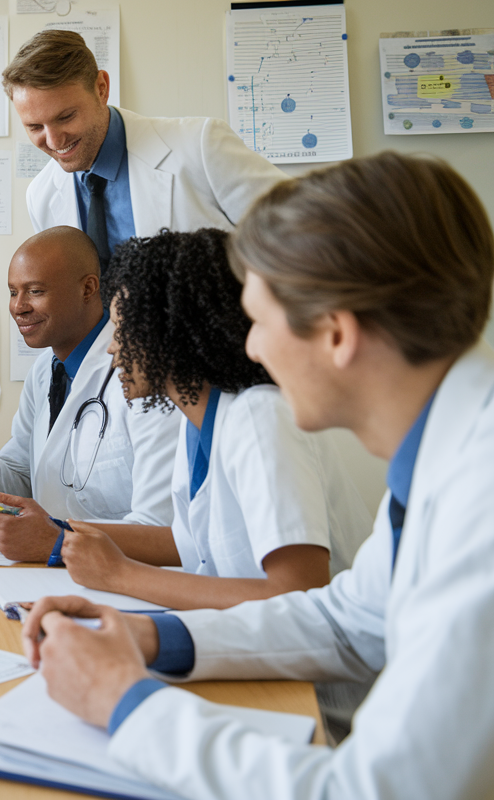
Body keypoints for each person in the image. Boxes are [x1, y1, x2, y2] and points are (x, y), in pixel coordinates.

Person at [24, 152, 494, 798]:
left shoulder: (480, 499)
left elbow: (369, 791)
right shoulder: (447, 456)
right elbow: (344, 621)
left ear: (335, 334)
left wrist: (123, 702)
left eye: (263, 322)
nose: (249, 347)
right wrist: (148, 634)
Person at [0, 228, 368, 610]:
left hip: (323, 663)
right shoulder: (199, 426)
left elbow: (299, 595)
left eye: (121, 329)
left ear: (168, 332)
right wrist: (62, 541)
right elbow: (184, 548)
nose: (111, 347)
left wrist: (114, 573)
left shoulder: (260, 417)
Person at [0, 227, 179, 542]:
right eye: (13, 291)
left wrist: (57, 538)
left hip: (119, 574)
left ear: (87, 288)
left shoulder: (141, 374)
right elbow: (29, 480)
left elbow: (162, 527)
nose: (18, 306)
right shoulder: (44, 370)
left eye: (36, 291)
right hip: (55, 569)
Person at [4, 30, 286, 269]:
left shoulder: (200, 144)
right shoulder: (40, 195)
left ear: (101, 88)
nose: (53, 141)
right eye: (34, 127)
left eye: (65, 117)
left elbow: (304, 234)